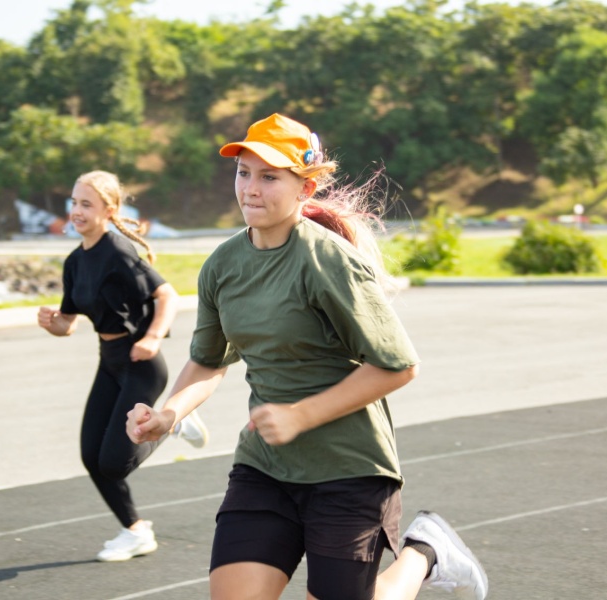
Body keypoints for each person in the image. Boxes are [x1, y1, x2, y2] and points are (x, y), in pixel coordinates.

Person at [127, 114, 489, 600]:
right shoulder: (222, 266)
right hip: (265, 467)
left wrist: (301, 415)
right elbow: (210, 360)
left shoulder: (328, 261)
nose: (251, 189)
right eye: (243, 173)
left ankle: (425, 553)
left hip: (350, 470)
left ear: (306, 187)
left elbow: (399, 366)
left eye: (269, 177)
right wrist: (169, 414)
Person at [37, 170, 210, 562]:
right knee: (91, 457)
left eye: (86, 204)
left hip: (140, 365)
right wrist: (52, 323)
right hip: (109, 363)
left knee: (114, 464)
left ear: (110, 210)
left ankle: (174, 421)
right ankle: (136, 531)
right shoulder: (74, 261)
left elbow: (167, 295)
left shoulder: (118, 251)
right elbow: (68, 324)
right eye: (74, 202)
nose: (76, 211)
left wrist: (153, 338)